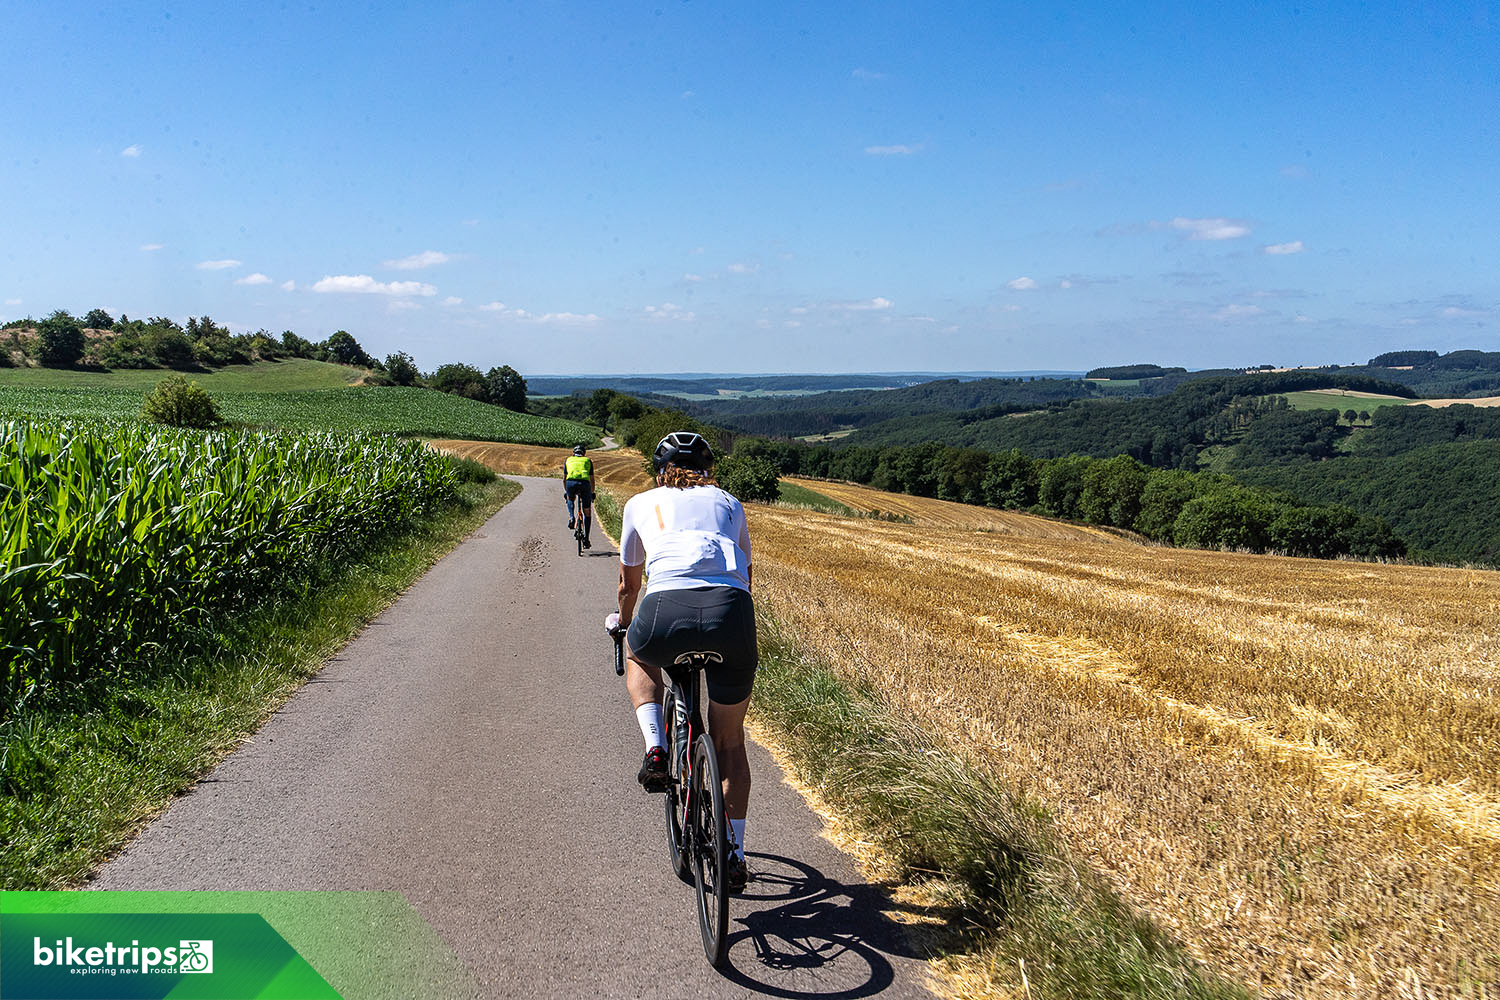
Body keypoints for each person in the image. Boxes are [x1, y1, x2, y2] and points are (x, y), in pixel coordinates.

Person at [616, 431, 756, 892]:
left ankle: (657, 747)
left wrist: (623, 622)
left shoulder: (640, 503)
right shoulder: (731, 503)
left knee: (638, 651)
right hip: (730, 614)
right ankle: (733, 854)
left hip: (663, 613)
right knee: (730, 742)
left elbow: (628, 586)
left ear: (659, 472)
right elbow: (746, 577)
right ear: (708, 470)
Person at [563, 444, 594, 548]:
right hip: (585, 484)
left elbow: (564, 478)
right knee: (587, 512)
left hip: (571, 483)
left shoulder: (568, 460)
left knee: (570, 498)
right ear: (584, 453)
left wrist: (566, 491)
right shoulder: (588, 461)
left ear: (574, 453)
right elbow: (592, 479)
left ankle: (572, 517)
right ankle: (586, 539)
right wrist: (592, 493)